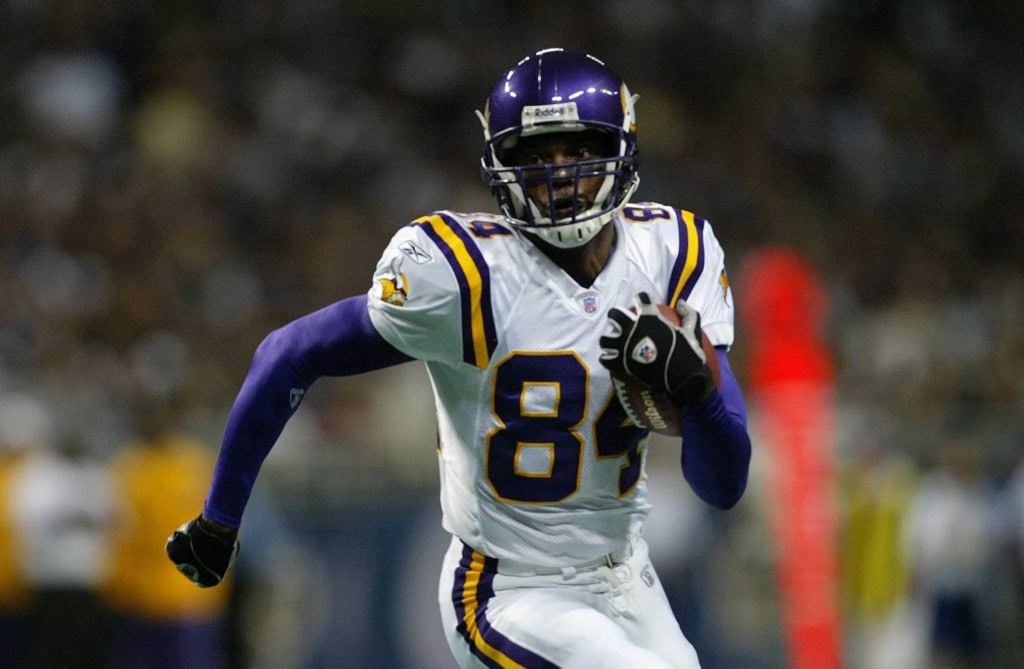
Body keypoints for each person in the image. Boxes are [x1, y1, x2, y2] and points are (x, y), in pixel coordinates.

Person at [167, 48, 752, 669]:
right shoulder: (466, 275)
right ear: (501, 164)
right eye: (534, 156)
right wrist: (219, 518)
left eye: (577, 150)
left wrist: (699, 396)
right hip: (507, 588)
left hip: (626, 573)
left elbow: (724, 486)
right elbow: (288, 354)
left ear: (619, 148)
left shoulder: (673, 253)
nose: (557, 175)